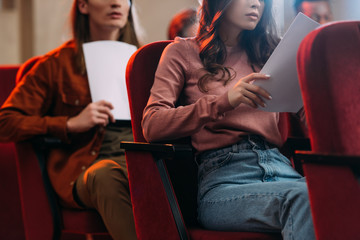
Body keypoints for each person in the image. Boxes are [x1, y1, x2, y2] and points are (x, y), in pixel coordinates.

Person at [142, 0, 314, 239]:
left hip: (282, 168)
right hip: (225, 181)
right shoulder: (182, 52)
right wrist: (224, 101)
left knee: (338, 192)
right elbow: (152, 124)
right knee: (307, 198)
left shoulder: (271, 52)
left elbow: (313, 119)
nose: (256, 4)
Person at [0, 0, 139, 239]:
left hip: (141, 158)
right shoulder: (55, 66)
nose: (116, 2)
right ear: (83, 6)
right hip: (89, 166)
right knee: (106, 175)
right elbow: (5, 122)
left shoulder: (147, 61)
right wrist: (68, 124)